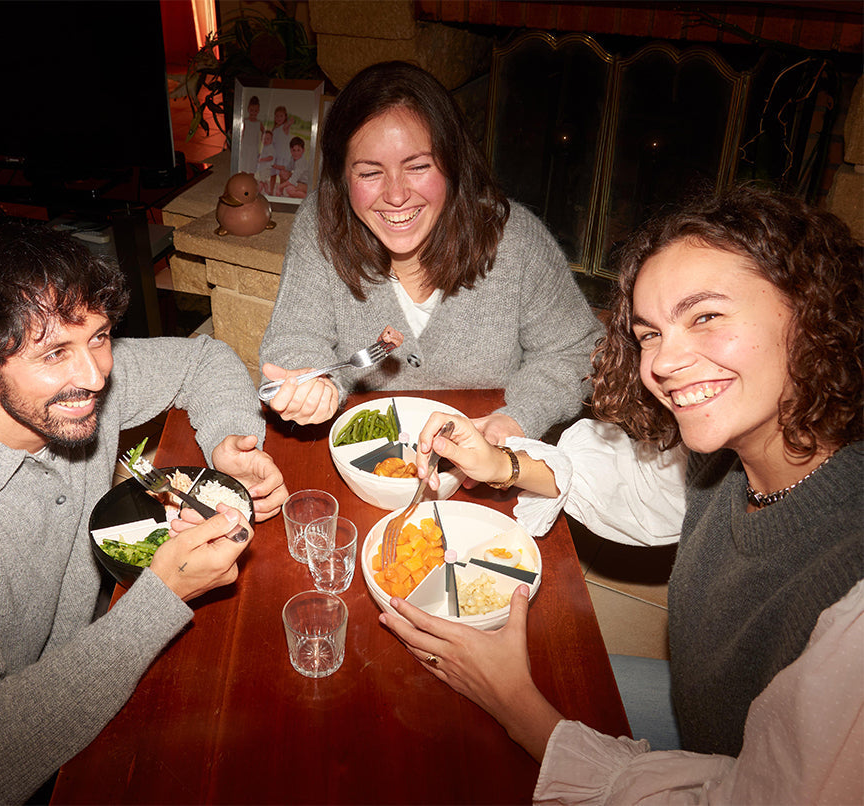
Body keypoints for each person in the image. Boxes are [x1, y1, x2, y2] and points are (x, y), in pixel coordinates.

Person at [380, 185, 863, 803]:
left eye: (706, 316)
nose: (664, 361)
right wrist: (499, 464)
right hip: (709, 727)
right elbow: (635, 487)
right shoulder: (734, 463)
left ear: (812, 310)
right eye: (650, 334)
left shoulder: (852, 601)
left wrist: (515, 703)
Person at [0, 216, 288, 805]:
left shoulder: (66, 393)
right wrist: (160, 598)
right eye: (54, 353)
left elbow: (205, 359)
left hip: (91, 655)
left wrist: (230, 441)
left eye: (98, 337)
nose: (94, 377)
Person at [258, 61, 602, 443]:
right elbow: (294, 336)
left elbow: (576, 351)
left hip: (480, 469)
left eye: (418, 166)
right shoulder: (320, 223)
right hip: (360, 458)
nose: (396, 195)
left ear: (454, 163)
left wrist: (517, 418)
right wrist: (311, 382)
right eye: (369, 173)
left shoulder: (516, 242)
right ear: (341, 175)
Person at [238, 94, 264, 175]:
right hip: (245, 147)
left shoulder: (259, 123)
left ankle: (251, 181)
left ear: (258, 110)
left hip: (254, 148)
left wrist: (263, 138)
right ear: (248, 109)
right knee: (244, 165)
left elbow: (264, 131)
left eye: (256, 111)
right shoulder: (245, 121)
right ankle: (243, 180)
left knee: (252, 166)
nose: (253, 112)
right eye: (252, 110)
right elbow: (241, 133)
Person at [256, 128, 276, 195]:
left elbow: (271, 157)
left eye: (268, 139)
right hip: (262, 168)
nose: (265, 140)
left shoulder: (270, 147)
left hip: (266, 168)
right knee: (264, 181)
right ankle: (268, 192)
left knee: (261, 181)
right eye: (264, 138)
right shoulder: (264, 147)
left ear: (271, 140)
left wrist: (262, 159)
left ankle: (258, 192)